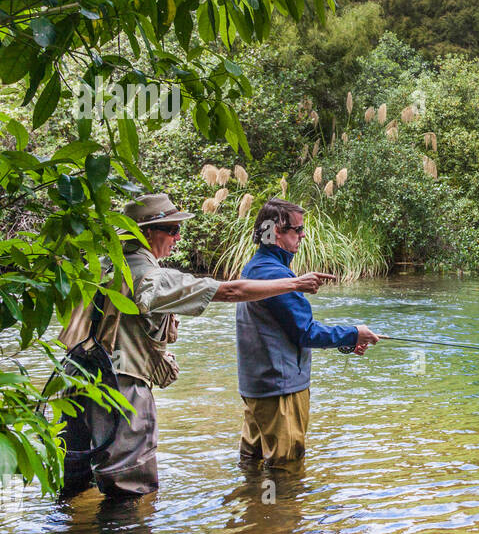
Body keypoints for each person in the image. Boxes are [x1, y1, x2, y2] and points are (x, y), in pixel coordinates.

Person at [62, 192, 334, 497]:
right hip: (120, 386)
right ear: (146, 233)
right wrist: (296, 283)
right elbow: (230, 291)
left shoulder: (99, 267)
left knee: (76, 481)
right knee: (129, 489)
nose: (178, 238)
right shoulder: (151, 277)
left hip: (73, 380)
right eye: (171, 230)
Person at [235, 198, 380, 469]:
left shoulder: (257, 267)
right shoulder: (273, 276)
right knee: (286, 470)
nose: (303, 235)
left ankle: (256, 509)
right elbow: (306, 333)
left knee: (252, 466)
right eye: (297, 230)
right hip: (280, 392)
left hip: (258, 387)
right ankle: (282, 512)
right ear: (276, 231)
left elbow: (285, 330)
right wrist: (353, 333)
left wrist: (348, 340)